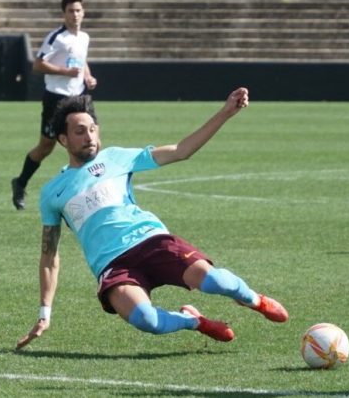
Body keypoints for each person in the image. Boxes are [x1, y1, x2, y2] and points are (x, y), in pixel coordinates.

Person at [16, 88, 287, 349]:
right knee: (147, 321)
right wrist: (44, 312)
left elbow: (182, 150)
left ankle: (254, 300)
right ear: (63, 140)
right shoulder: (53, 192)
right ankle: (193, 320)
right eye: (79, 131)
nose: (89, 136)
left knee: (216, 282)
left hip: (150, 240)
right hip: (112, 265)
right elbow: (49, 257)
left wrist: (225, 113)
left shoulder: (116, 158)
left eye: (92, 129)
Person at [10, 0, 97, 210]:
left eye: (78, 10)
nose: (75, 15)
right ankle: (20, 183)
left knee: (92, 139)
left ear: (83, 13)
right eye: (71, 11)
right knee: (46, 147)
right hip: (56, 98)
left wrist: (87, 76)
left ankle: (92, 191)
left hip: (79, 98)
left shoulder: (83, 37)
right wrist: (65, 71)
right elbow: (37, 65)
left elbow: (82, 59)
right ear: (64, 14)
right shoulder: (57, 37)